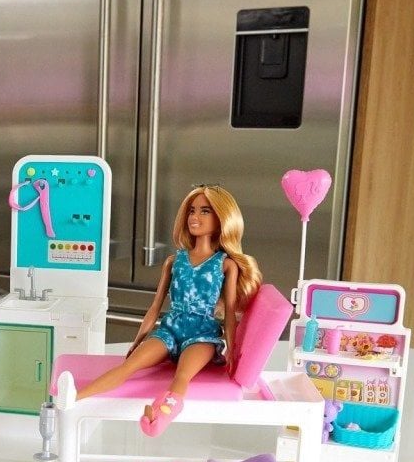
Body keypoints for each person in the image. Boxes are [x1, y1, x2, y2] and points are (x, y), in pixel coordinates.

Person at [56, 184, 262, 435]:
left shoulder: (225, 265)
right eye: (192, 211)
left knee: (182, 376)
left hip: (202, 335)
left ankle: (159, 419)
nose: (195, 217)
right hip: (169, 330)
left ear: (221, 220)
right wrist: (138, 340)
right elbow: (155, 307)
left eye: (205, 211)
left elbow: (229, 313)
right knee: (129, 366)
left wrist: (232, 351)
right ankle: (72, 397)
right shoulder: (175, 261)